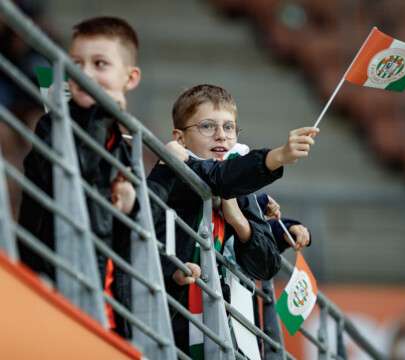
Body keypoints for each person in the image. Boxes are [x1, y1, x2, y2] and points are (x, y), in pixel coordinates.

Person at [16, 16, 188, 338]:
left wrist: (138, 200)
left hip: (110, 314)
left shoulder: (123, 146)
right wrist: (103, 114)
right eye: (76, 63)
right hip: (60, 297)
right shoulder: (55, 126)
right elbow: (75, 174)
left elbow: (130, 234)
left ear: (130, 78)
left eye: (100, 64)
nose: (85, 74)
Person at [147, 84, 318, 354]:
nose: (221, 136)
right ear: (180, 139)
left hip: (236, 331)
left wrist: (240, 222)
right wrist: (278, 156)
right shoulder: (175, 171)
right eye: (207, 126)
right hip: (179, 328)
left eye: (229, 127)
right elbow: (218, 177)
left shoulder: (240, 189)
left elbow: (267, 266)